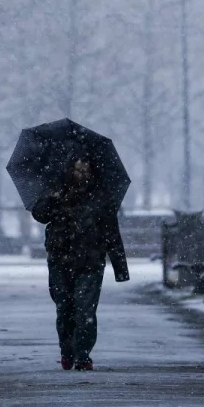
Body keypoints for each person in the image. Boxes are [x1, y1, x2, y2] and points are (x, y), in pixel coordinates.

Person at [30, 157, 128, 371]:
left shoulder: (101, 197)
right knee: (64, 309)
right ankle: (67, 350)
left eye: (85, 170)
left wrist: (120, 267)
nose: (81, 175)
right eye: (77, 170)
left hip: (90, 261)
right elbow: (39, 214)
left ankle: (83, 354)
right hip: (60, 259)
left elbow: (111, 231)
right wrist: (51, 199)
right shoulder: (56, 192)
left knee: (85, 311)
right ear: (69, 170)